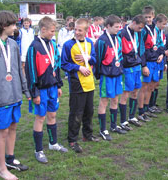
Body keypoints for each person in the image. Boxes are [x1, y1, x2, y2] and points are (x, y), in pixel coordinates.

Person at [0, 11, 31, 180]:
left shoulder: (13, 44)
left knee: (13, 127)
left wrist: (25, 91)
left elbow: (19, 71)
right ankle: (2, 169)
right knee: (2, 133)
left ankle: (10, 160)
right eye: (13, 25)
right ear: (4, 26)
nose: (15, 28)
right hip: (0, 99)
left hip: (15, 95)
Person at [25, 16, 67, 164]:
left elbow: (56, 65)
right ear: (43, 30)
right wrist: (34, 92)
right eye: (52, 31)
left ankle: (53, 143)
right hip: (41, 90)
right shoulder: (34, 47)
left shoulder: (53, 45)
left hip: (53, 88)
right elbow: (30, 72)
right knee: (40, 117)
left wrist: (59, 85)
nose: (53, 34)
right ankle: (39, 150)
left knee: (52, 115)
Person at [61, 18, 99, 153]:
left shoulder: (89, 43)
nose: (77, 32)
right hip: (77, 83)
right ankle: (72, 140)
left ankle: (87, 135)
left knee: (89, 111)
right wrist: (78, 67)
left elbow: (94, 58)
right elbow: (64, 64)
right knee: (76, 113)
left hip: (90, 82)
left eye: (80, 30)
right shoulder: (68, 45)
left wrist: (89, 58)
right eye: (75, 29)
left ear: (86, 31)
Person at [95, 15, 126, 141]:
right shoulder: (102, 41)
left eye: (120, 26)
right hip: (106, 75)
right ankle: (103, 130)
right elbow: (98, 59)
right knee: (104, 101)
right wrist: (98, 74)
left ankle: (113, 125)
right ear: (108, 26)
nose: (119, 29)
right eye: (116, 27)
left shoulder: (118, 38)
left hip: (118, 73)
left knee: (115, 99)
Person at [117, 14, 146, 131]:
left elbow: (140, 49)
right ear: (133, 22)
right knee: (126, 93)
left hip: (137, 66)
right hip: (127, 68)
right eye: (139, 27)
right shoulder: (122, 33)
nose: (140, 30)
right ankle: (123, 121)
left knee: (135, 91)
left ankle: (132, 117)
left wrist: (142, 64)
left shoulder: (138, 33)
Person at [138, 6, 166, 122]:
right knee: (144, 87)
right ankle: (141, 111)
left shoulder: (156, 29)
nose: (148, 19)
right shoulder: (143, 30)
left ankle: (147, 108)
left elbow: (160, 43)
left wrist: (161, 54)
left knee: (151, 86)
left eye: (149, 17)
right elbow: (141, 49)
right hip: (148, 62)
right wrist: (143, 65)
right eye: (146, 17)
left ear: (153, 16)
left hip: (156, 61)